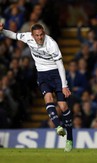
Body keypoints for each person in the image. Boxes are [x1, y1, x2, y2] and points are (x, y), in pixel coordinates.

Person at [0, 23, 73, 152]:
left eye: (41, 35)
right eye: (37, 36)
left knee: (63, 106)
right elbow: (13, 35)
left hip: (55, 74)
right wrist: (2, 31)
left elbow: (61, 65)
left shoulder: (52, 44)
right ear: (32, 35)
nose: (39, 38)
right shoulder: (27, 37)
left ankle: (70, 139)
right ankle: (58, 127)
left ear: (44, 33)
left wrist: (64, 86)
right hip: (42, 74)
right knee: (48, 98)